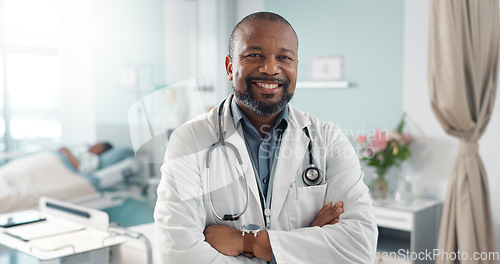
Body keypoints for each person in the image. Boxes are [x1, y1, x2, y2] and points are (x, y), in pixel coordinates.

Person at [154, 12, 377, 263]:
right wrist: (309, 240)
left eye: (284, 57)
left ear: (295, 68)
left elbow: (360, 246)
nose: (271, 68)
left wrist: (247, 242)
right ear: (230, 67)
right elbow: (178, 254)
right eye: (254, 55)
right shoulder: (190, 140)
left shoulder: (328, 139)